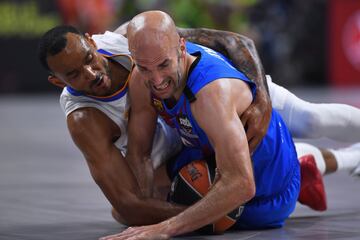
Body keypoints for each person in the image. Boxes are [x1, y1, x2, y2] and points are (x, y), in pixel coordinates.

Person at [37, 24, 360, 229]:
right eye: (75, 75)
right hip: (184, 134)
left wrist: (260, 97)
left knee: (312, 120)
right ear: (57, 82)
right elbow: (128, 202)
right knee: (138, 207)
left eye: (89, 60)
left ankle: (331, 161)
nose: (91, 73)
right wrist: (206, 211)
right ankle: (336, 161)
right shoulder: (85, 119)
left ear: (93, 42)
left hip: (223, 96)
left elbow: (234, 41)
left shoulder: (133, 38)